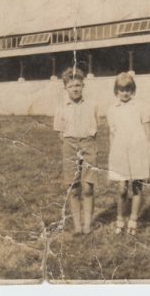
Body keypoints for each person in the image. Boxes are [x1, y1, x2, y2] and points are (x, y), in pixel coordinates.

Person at [107, 72, 150, 236]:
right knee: (122, 188)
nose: (125, 92)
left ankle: (133, 220)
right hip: (121, 151)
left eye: (128, 89)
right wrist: (112, 153)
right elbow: (112, 133)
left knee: (137, 186)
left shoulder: (140, 107)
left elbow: (146, 129)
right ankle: (120, 219)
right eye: (122, 89)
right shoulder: (112, 109)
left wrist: (149, 151)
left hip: (138, 149)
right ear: (116, 90)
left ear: (133, 90)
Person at [54, 67, 98, 236]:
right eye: (71, 86)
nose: (75, 89)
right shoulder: (61, 107)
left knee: (88, 187)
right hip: (69, 145)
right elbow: (60, 133)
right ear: (65, 88)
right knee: (73, 187)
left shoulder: (91, 105)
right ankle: (77, 226)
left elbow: (95, 128)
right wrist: (71, 145)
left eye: (78, 85)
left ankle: (87, 224)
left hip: (88, 144)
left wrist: (88, 145)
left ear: (83, 85)